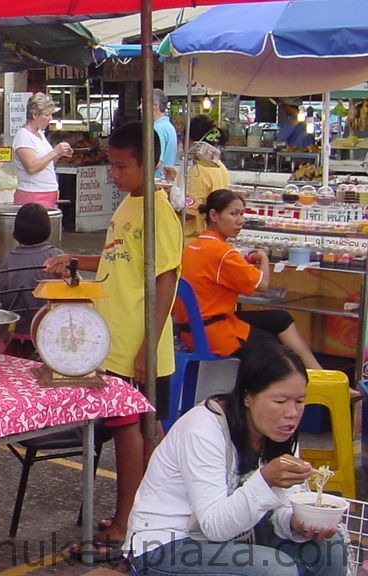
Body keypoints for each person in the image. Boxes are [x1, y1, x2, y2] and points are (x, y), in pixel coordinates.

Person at [44, 121, 182, 561]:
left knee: (132, 436)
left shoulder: (158, 212)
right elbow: (114, 259)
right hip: (114, 341)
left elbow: (165, 281)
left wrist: (145, 348)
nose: (113, 173)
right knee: (138, 436)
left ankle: (125, 526)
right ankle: (137, 514)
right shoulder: (128, 205)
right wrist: (74, 258)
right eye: (111, 164)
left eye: (122, 166)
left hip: (138, 346)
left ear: (151, 164)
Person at [126, 343, 346, 576]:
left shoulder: (280, 432)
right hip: (166, 544)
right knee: (274, 569)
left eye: (300, 401)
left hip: (236, 536)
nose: (292, 413)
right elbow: (214, 526)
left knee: (329, 548)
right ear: (247, 397)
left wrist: (295, 522)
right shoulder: (202, 430)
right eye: (280, 401)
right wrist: (265, 480)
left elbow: (283, 505)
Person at [177, 189, 322, 369]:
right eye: (233, 214)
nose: (240, 221)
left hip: (192, 329)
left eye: (242, 214)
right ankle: (313, 377)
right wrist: (264, 258)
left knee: (280, 318)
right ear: (214, 215)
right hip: (214, 333)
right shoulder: (223, 253)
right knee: (272, 345)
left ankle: (318, 372)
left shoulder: (192, 247)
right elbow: (262, 285)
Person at [0, 203, 63, 336]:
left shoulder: (7, 262)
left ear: (16, 230)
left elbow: (1, 298)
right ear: (47, 229)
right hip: (53, 329)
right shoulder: (58, 257)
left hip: (17, 331)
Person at [166, 115, 230, 243]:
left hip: (193, 241)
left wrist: (164, 198)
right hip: (210, 238)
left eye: (184, 139)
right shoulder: (220, 166)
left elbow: (189, 212)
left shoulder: (199, 171)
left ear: (192, 142)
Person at [12, 93, 74, 208]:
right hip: (33, 194)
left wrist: (59, 154)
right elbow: (31, 167)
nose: (50, 118)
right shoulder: (23, 136)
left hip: (48, 192)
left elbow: (45, 162)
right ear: (35, 115)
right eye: (47, 115)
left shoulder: (40, 133)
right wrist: (54, 152)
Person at [151, 88, 177, 180]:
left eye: (143, 103)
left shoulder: (158, 129)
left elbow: (157, 162)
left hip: (156, 182)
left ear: (155, 105)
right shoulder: (169, 126)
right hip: (166, 181)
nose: (140, 107)